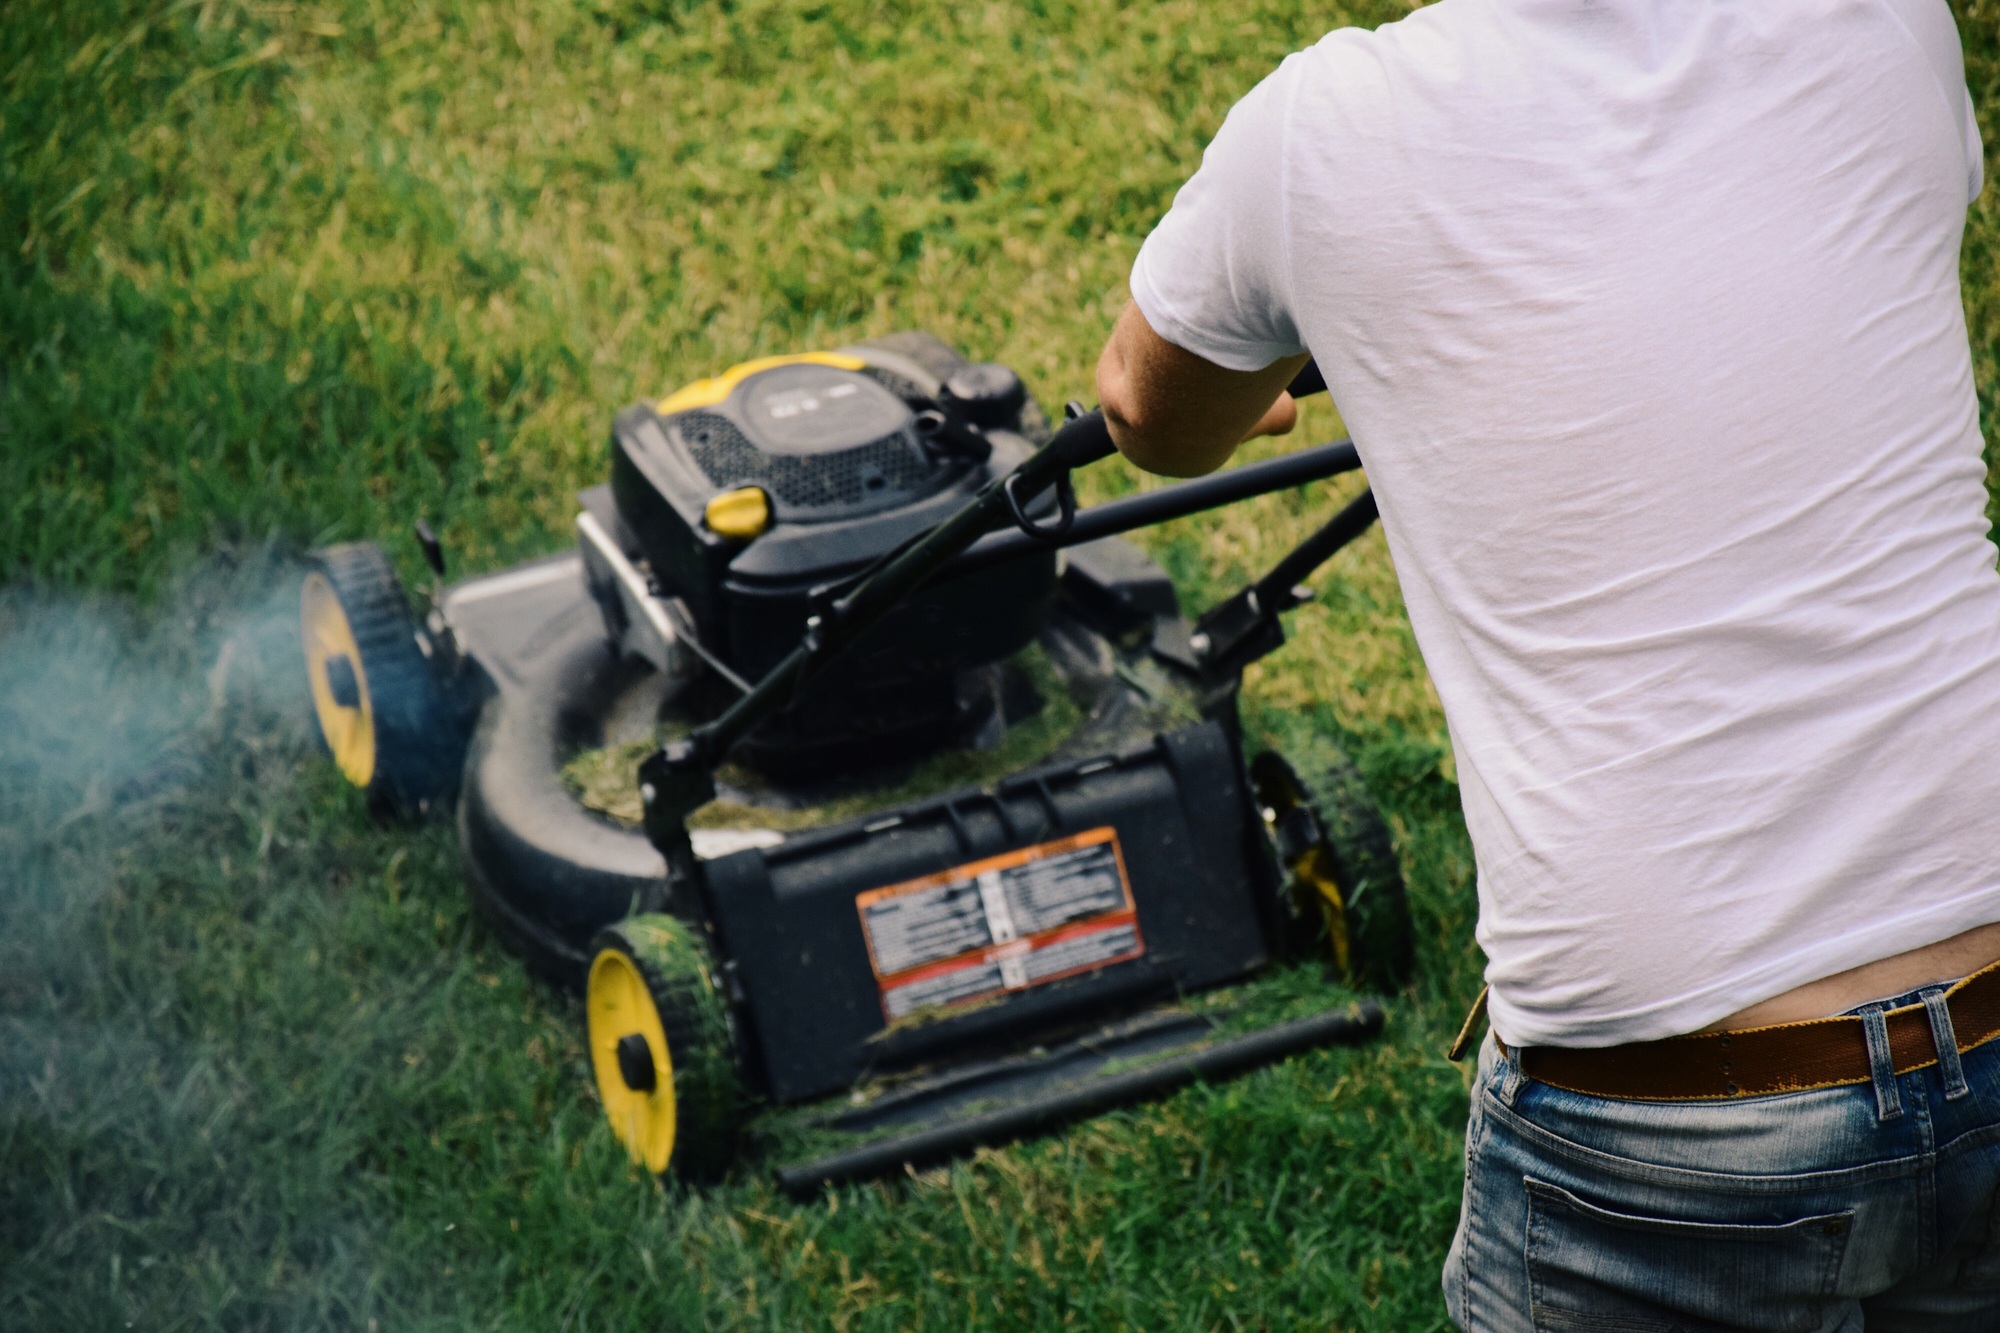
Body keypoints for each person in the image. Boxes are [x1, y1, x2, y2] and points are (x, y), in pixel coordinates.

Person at [1094, 0, 2000, 1325]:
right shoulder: (1887, 22)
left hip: (1676, 1117)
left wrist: (1280, 361)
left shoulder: (1319, 136)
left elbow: (1147, 411)